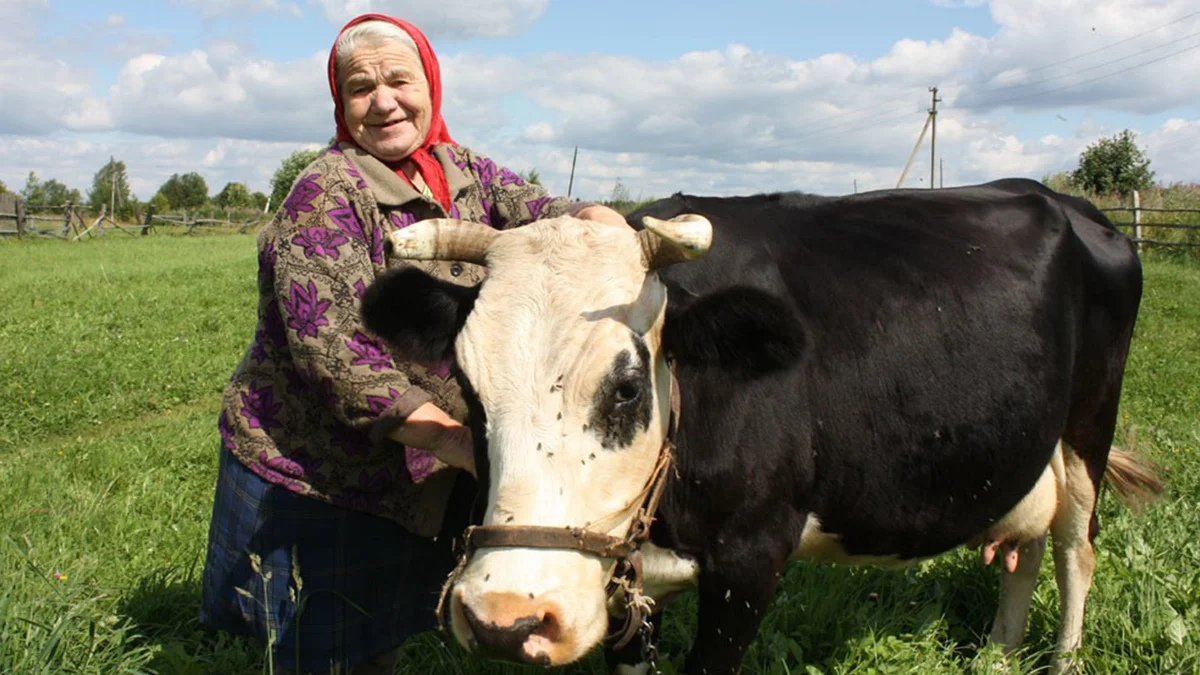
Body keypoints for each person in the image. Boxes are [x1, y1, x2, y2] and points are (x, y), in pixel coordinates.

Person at [199, 13, 627, 675]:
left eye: (399, 79)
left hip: (413, 468)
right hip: (320, 471)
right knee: (324, 646)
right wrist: (454, 441)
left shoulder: (459, 171)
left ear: (430, 82)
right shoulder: (327, 194)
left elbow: (530, 204)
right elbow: (331, 351)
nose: (383, 100)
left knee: (376, 634)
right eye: (360, 87)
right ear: (341, 105)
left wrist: (593, 219)